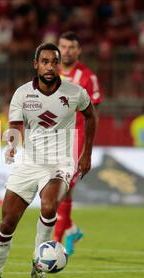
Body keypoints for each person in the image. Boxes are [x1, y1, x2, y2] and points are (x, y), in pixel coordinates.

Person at [0, 43, 97, 278]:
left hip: (60, 163)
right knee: (7, 223)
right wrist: (11, 144)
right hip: (28, 163)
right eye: (45, 62)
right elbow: (15, 125)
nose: (50, 67)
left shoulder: (74, 92)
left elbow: (91, 115)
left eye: (54, 62)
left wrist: (86, 154)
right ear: (36, 64)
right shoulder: (22, 94)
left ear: (58, 64)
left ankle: (38, 260)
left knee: (49, 204)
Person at [54, 31, 102, 256]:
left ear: (78, 50)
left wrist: (86, 151)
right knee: (55, 191)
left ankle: (53, 243)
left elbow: (93, 115)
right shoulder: (50, 73)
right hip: (51, 139)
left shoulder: (87, 76)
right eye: (63, 46)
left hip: (76, 141)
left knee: (61, 190)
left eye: (71, 47)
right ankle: (71, 229)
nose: (66, 51)